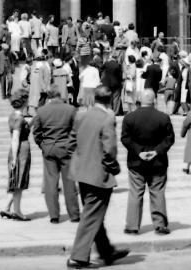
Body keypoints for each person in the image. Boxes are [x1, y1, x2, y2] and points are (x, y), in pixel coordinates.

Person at [66, 87, 129, 268]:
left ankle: (106, 251)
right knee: (92, 215)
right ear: (110, 101)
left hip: (81, 171)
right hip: (97, 173)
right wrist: (114, 167)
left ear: (95, 98)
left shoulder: (81, 115)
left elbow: (72, 141)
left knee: (94, 212)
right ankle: (78, 257)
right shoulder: (107, 118)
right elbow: (109, 149)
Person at [120, 88, 175, 236]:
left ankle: (132, 226)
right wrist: (156, 151)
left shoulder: (129, 118)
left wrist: (139, 151)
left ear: (139, 100)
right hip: (158, 162)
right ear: (154, 100)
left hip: (136, 162)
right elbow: (169, 139)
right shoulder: (163, 117)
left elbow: (125, 139)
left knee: (135, 193)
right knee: (157, 192)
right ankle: (160, 225)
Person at [31, 90, 80, 224]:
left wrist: (42, 145)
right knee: (69, 183)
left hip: (49, 149)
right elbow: (77, 129)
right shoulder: (70, 109)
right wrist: (72, 144)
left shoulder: (41, 111)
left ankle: (54, 215)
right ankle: (74, 214)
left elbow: (36, 132)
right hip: (66, 149)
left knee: (51, 183)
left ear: (49, 97)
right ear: (60, 96)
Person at [0, 93, 32, 221]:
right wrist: (14, 157)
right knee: (19, 182)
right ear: (24, 103)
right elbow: (15, 138)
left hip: (17, 150)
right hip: (20, 151)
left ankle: (6, 208)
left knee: (15, 180)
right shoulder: (19, 119)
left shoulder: (13, 116)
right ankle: (17, 211)